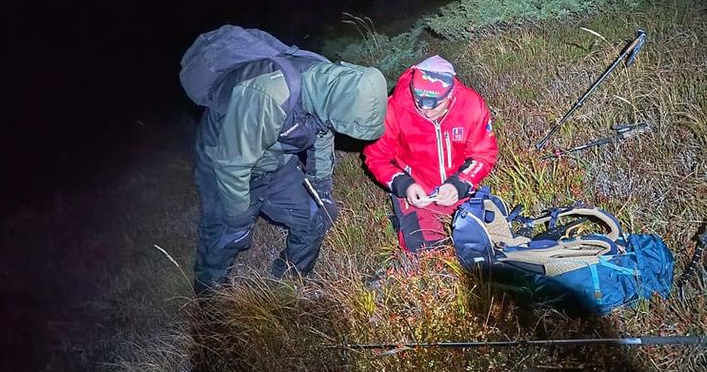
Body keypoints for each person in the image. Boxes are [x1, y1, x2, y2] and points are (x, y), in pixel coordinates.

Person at [192, 38, 388, 294]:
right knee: (222, 238)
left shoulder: (330, 87)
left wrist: (322, 190)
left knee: (316, 216)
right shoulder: (269, 96)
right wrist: (238, 220)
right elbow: (232, 165)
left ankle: (288, 284)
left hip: (276, 162)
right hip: (224, 165)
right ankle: (211, 307)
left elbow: (321, 135)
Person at [363, 55, 498, 253]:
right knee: (423, 252)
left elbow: (483, 154)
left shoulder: (470, 105)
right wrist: (404, 185)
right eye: (419, 102)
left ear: (450, 94)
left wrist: (459, 183)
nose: (426, 111)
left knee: (481, 244)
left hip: (456, 188)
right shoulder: (395, 108)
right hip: (416, 193)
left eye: (434, 104)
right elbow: (376, 157)